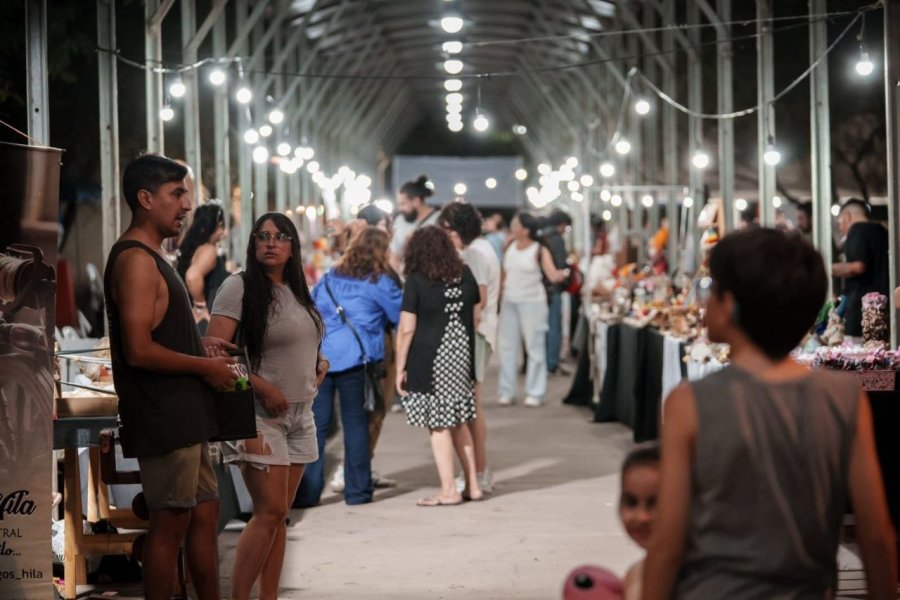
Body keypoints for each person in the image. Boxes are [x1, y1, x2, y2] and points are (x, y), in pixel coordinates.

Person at [643, 228, 897, 600]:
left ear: (729, 307)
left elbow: (668, 541)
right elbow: (876, 536)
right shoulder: (844, 396)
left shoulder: (688, 404)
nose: (703, 301)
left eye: (711, 289)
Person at [103, 154, 237, 600]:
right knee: (169, 524)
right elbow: (139, 350)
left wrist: (201, 349)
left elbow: (161, 335)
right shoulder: (136, 260)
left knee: (204, 513)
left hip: (186, 413)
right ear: (145, 198)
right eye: (177, 194)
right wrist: (204, 367)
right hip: (165, 416)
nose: (186, 205)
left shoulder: (154, 256)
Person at [206, 213, 327, 600]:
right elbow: (214, 355)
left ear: (293, 245)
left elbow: (297, 342)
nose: (270, 243)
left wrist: (316, 363)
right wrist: (263, 387)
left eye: (280, 236)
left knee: (279, 518)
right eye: (262, 236)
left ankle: (268, 596)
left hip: (301, 413)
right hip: (258, 414)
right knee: (268, 512)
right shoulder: (237, 287)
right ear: (252, 243)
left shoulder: (296, 289)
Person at [295, 226, 403, 507]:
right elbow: (399, 316)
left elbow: (313, 310)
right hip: (358, 360)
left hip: (322, 358)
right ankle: (357, 492)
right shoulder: (379, 282)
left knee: (317, 426)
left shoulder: (330, 277)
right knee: (356, 424)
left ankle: (307, 492)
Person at [395, 225, 482, 506]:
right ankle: (473, 485)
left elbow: (407, 329)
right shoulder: (465, 274)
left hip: (431, 357)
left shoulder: (417, 280)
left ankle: (449, 490)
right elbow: (476, 314)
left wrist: (400, 367)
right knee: (459, 422)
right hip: (461, 353)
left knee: (439, 424)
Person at [439, 202, 501, 494]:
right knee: (471, 406)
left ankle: (479, 471)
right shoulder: (481, 248)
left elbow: (480, 299)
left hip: (475, 333)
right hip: (478, 332)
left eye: (448, 228)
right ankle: (478, 471)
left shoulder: (476, 252)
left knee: (471, 407)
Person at [497, 212, 569, 407]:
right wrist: (500, 295)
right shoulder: (510, 246)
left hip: (532, 301)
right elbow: (504, 272)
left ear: (525, 229)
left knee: (534, 346)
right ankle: (506, 390)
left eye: (516, 223)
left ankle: (536, 391)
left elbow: (552, 274)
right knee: (507, 346)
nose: (512, 225)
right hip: (510, 300)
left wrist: (562, 275)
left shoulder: (539, 249)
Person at [833, 199, 889, 342]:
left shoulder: (856, 229)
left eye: (840, 222)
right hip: (882, 312)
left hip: (861, 315)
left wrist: (827, 268)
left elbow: (858, 266)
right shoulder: (882, 231)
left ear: (847, 216)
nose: (840, 228)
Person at [176, 202, 229, 333]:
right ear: (211, 227)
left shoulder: (195, 248)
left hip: (195, 319)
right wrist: (201, 306)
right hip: (204, 321)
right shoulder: (208, 250)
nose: (222, 231)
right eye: (220, 225)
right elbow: (192, 276)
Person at [618, 443, 660, 600]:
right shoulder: (636, 575)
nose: (641, 517)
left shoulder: (702, 579)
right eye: (631, 502)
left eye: (655, 503)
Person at [390, 175, 441, 272]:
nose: (400, 208)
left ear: (416, 201)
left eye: (403, 203)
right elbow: (394, 254)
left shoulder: (438, 220)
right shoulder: (400, 220)